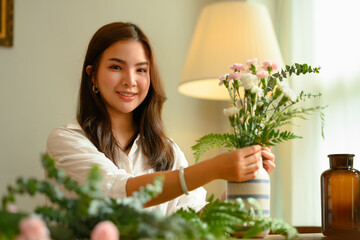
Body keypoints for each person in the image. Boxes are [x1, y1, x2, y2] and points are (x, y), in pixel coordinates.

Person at [46, 22, 275, 216]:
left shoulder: (167, 151)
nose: (130, 80)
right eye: (116, 67)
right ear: (92, 75)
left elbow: (193, 221)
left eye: (141, 70)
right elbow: (119, 192)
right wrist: (214, 169)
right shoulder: (66, 141)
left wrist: (243, 182)